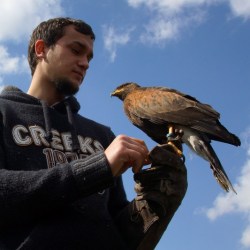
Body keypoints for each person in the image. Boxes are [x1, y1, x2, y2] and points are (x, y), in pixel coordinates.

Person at [0, 17, 187, 250]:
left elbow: (117, 228)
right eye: (76, 50)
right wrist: (96, 169)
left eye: (89, 57)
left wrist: (154, 204)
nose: (85, 63)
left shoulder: (102, 135)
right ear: (42, 49)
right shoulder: (5, 112)